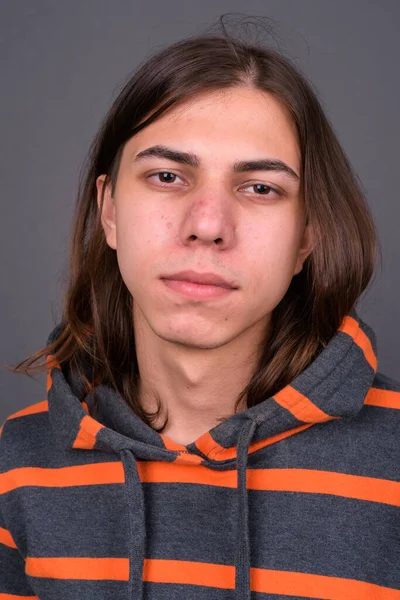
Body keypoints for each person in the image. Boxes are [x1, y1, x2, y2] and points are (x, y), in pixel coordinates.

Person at [1, 16, 399, 600]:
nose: (208, 226)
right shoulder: (19, 464)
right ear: (109, 211)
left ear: (307, 236)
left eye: (260, 187)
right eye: (167, 176)